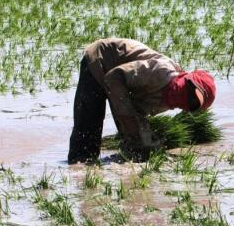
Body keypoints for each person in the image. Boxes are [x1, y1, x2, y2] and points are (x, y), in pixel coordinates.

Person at [68, 38, 216, 164]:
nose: (187, 100)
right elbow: (113, 78)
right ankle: (77, 173)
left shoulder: (168, 101)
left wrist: (146, 140)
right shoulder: (160, 72)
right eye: (190, 92)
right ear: (186, 78)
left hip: (122, 85)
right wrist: (128, 117)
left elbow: (138, 112)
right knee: (87, 135)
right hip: (100, 60)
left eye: (193, 103)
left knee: (135, 147)